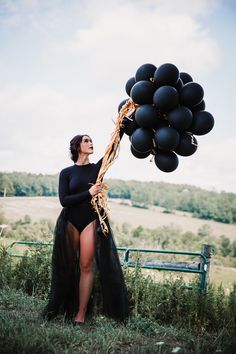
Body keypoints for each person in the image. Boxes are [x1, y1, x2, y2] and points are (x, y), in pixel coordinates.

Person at [42, 132, 130, 324]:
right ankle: (59, 307)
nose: (90, 143)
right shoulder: (66, 173)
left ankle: (80, 315)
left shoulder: (97, 168)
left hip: (90, 219)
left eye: (91, 140)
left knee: (86, 266)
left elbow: (112, 149)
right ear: (77, 147)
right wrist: (88, 192)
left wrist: (122, 126)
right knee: (66, 265)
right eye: (86, 141)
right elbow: (64, 201)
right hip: (70, 220)